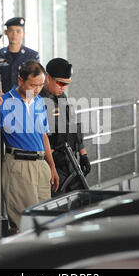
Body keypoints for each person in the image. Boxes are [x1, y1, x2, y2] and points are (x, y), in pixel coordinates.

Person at [0, 60, 59, 232]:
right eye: (33, 85)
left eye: (41, 85)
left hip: (41, 165)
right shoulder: (3, 102)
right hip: (20, 165)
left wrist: (52, 166)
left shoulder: (39, 101)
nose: (37, 89)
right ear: (20, 81)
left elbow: (43, 136)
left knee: (45, 221)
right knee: (25, 225)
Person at [39, 58, 91, 195]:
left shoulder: (62, 97)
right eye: (60, 83)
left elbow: (73, 126)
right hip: (52, 161)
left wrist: (83, 154)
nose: (63, 87)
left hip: (70, 160)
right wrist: (51, 165)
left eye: (66, 84)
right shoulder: (38, 99)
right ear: (48, 78)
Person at [0, 17, 40, 94]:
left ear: (24, 34)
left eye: (18, 31)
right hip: (3, 100)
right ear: (5, 32)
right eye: (11, 31)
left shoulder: (32, 55)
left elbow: (35, 81)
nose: (14, 34)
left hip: (25, 99)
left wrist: (29, 102)